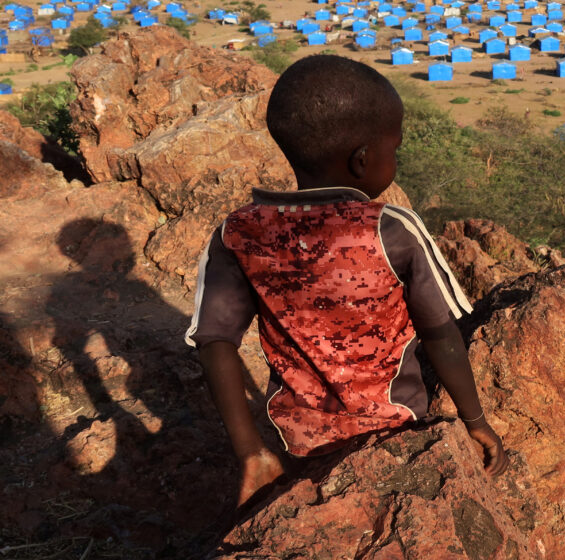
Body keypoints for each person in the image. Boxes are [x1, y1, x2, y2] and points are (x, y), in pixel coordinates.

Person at [186, 55, 508, 506]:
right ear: (362, 160)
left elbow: (216, 341)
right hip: (396, 435)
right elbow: (443, 336)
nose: (394, 156)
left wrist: (251, 452)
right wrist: (475, 421)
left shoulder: (239, 231)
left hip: (296, 444)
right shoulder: (391, 229)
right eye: (393, 148)